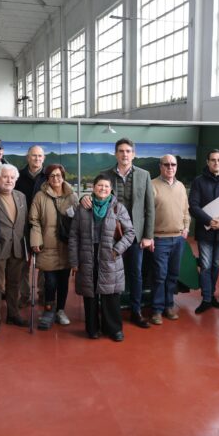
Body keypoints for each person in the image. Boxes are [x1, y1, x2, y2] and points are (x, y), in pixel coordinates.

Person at [80, 138, 155, 329]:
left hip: (135, 234)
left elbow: (149, 207)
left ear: (133, 154)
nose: (124, 154)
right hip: (110, 234)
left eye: (128, 151)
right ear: (115, 153)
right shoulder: (105, 174)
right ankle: (108, 311)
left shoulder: (144, 175)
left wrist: (148, 235)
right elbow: (94, 195)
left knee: (135, 273)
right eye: (121, 151)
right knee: (108, 274)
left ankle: (136, 311)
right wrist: (83, 198)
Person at [69, 174, 135, 341]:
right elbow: (73, 236)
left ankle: (114, 329)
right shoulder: (83, 207)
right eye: (100, 186)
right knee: (90, 293)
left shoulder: (118, 208)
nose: (103, 189)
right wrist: (74, 261)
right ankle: (92, 328)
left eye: (106, 186)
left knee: (110, 294)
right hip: (87, 255)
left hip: (109, 255)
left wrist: (117, 250)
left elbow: (130, 233)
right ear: (93, 187)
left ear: (111, 189)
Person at [188, 149, 219, 314]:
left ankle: (210, 294)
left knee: (216, 265)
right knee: (206, 265)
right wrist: (209, 221)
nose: (216, 163)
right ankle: (207, 299)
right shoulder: (198, 181)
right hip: (205, 231)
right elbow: (193, 206)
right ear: (207, 162)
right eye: (213, 160)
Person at [29, 163, 79, 330]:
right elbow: (33, 220)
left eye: (58, 175)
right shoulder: (40, 197)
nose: (56, 179)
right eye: (52, 176)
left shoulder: (72, 196)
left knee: (64, 281)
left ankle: (61, 310)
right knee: (49, 281)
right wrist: (36, 239)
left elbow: (78, 220)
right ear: (47, 179)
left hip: (66, 246)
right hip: (47, 246)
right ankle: (48, 310)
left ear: (63, 176)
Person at [0, 164, 28, 335]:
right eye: (5, 177)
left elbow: (24, 223)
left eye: (12, 177)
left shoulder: (21, 197)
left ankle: (13, 314)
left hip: (17, 248)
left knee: (15, 283)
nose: (9, 180)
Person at [150, 155, 190, 325]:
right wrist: (149, 236)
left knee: (173, 275)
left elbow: (186, 210)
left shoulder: (180, 186)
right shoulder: (152, 185)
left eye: (173, 164)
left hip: (178, 239)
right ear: (160, 166)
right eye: (166, 164)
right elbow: (147, 213)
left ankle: (169, 305)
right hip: (160, 238)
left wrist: (186, 227)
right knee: (160, 275)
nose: (170, 167)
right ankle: (157, 310)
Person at [15, 145, 48, 309]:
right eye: (33, 156)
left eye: (39, 156)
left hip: (44, 226)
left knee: (43, 262)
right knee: (22, 263)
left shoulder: (48, 176)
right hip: (22, 226)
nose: (36, 159)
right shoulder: (18, 177)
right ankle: (25, 294)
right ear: (28, 157)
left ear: (44, 158)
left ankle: (42, 294)